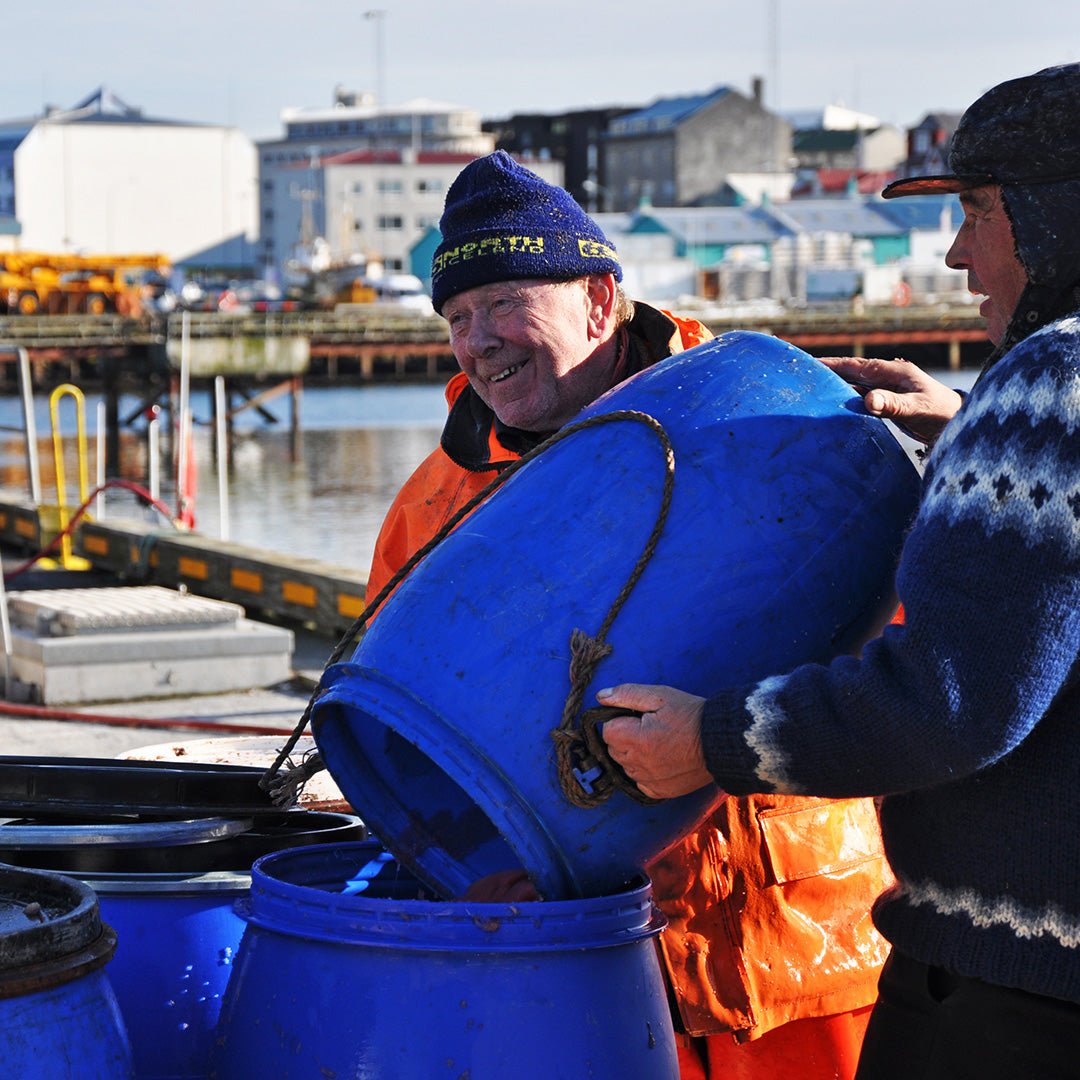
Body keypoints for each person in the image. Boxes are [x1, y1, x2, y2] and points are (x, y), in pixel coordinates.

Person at [365, 150, 893, 1080]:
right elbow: (402, 735)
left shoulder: (782, 428)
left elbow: (918, 679)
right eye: (456, 317)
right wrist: (482, 872)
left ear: (600, 300)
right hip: (592, 964)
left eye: (502, 304)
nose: (478, 340)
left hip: (801, 951)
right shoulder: (431, 507)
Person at [599, 64, 1080, 1079]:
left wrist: (710, 742)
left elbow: (951, 700)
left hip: (1016, 991)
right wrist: (973, 442)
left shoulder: (1050, 384)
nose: (955, 255)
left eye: (979, 211)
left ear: (1055, 215)